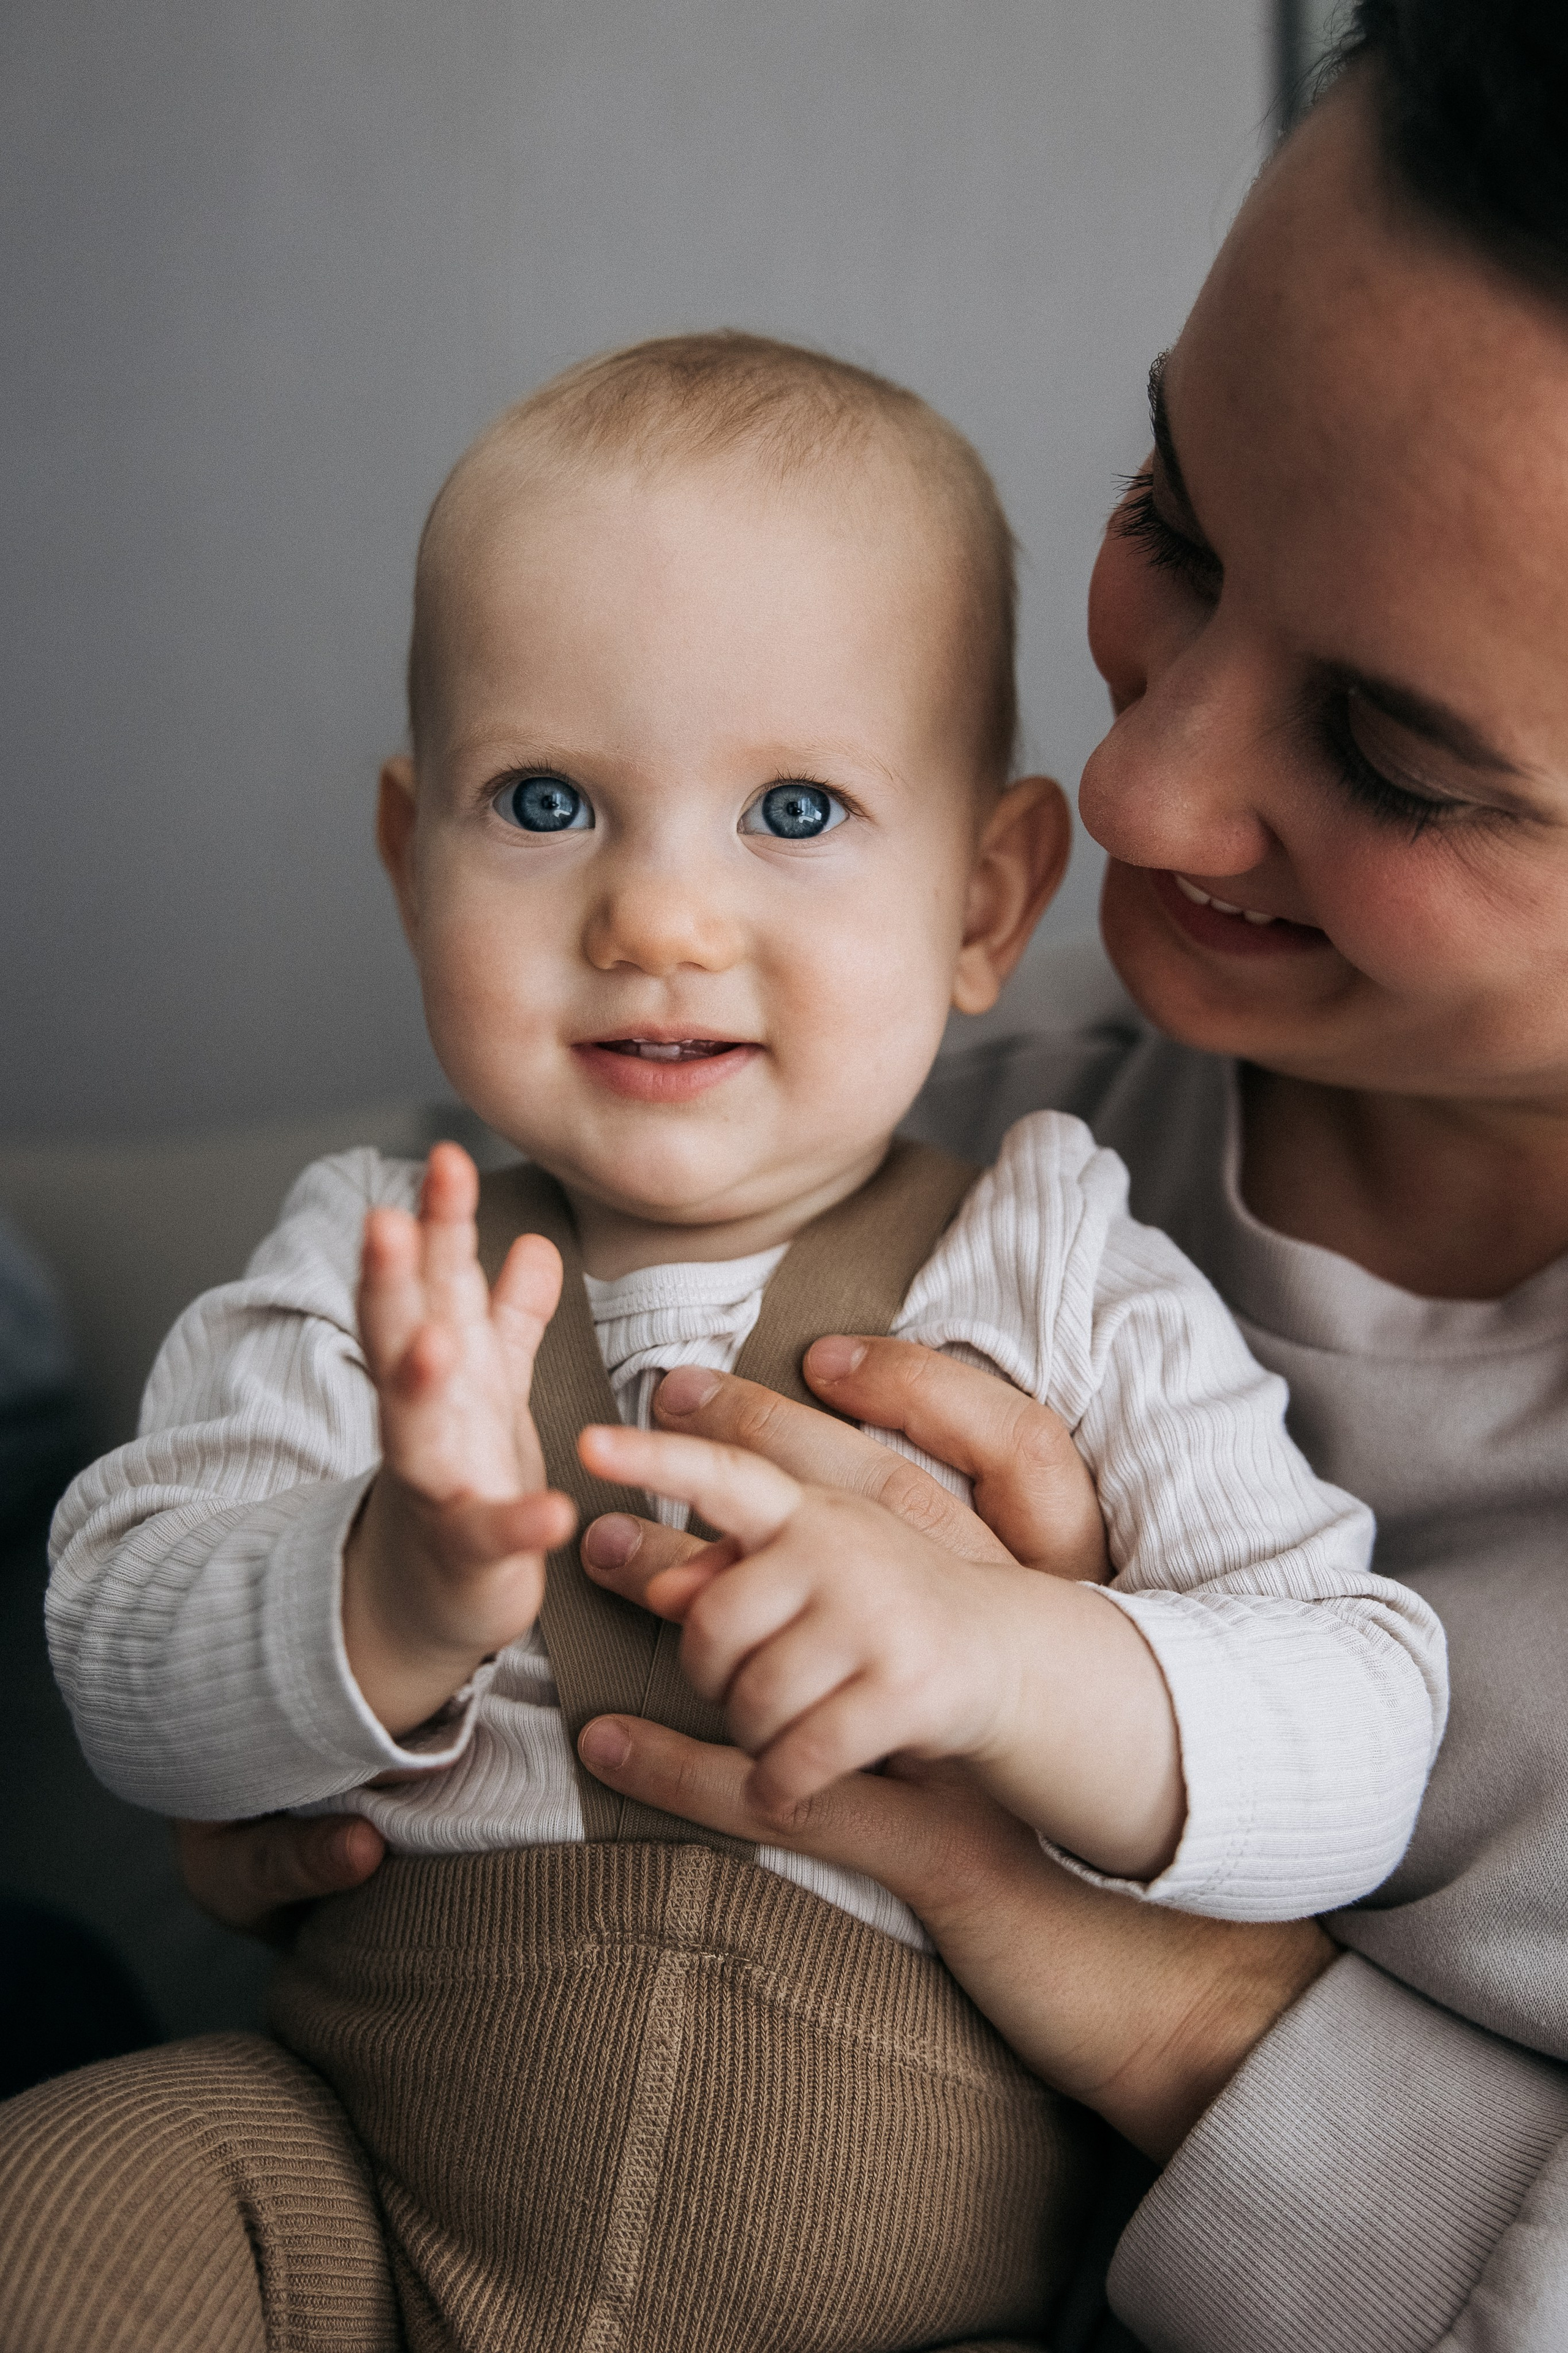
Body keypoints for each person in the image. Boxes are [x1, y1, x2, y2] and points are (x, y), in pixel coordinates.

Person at [177, 4, 1568, 2347]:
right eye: (1176, 524)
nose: (1133, 792)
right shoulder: (874, 1128)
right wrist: (303, 1678)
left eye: (1399, 755)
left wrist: (1161, 1988)